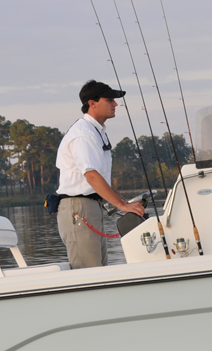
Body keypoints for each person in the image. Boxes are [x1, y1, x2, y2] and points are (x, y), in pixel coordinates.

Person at [55, 80, 146, 269]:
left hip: (90, 208)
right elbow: (92, 176)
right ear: (92, 103)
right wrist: (121, 205)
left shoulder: (97, 132)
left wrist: (125, 203)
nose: (115, 104)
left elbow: (100, 179)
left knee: (100, 271)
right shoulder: (83, 134)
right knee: (88, 275)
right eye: (110, 100)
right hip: (78, 208)